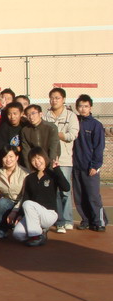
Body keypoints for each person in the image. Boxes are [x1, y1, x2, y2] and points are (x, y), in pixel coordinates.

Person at [8, 147, 70, 246]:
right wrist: (20, 214)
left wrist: (57, 169)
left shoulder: (52, 175)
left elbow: (66, 188)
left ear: (44, 157)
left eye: (38, 158)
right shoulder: (29, 178)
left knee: (28, 204)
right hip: (33, 215)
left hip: (48, 214)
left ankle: (36, 236)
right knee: (17, 234)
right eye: (33, 160)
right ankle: (40, 233)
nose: (36, 162)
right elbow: (26, 197)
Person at [43, 87, 79, 233]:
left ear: (63, 99)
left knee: (65, 190)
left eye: (57, 98)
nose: (54, 100)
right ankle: (59, 220)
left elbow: (72, 135)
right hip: (49, 159)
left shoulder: (71, 116)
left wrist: (56, 134)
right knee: (54, 191)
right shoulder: (46, 116)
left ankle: (68, 219)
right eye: (52, 98)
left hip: (64, 159)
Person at [73, 94, 107, 232]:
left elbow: (99, 147)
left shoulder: (96, 125)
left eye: (86, 106)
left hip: (90, 167)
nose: (83, 109)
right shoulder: (74, 122)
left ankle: (99, 222)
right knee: (79, 196)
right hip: (76, 166)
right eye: (80, 106)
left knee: (93, 196)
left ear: (90, 107)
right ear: (77, 107)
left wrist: (95, 165)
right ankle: (86, 220)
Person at [0, 146, 29, 239]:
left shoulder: (25, 173)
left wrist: (15, 210)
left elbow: (25, 196)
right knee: (2, 202)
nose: (8, 159)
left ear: (17, 157)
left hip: (22, 204)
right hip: (8, 203)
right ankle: (3, 229)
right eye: (5, 157)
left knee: (20, 233)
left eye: (11, 156)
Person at [20, 104, 59, 169]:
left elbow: (54, 148)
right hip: (35, 163)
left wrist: (51, 167)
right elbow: (26, 151)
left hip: (50, 163)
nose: (31, 117)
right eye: (28, 115)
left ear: (40, 114)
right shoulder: (25, 130)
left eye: (33, 113)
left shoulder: (51, 127)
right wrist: (30, 169)